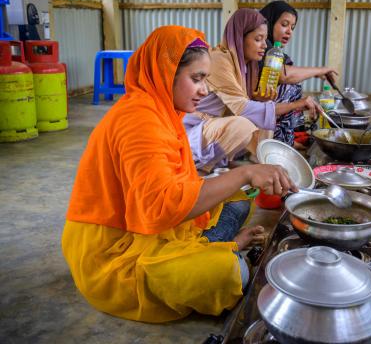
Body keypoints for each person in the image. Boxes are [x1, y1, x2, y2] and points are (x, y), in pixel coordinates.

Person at [62, 25, 296, 323]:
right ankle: (219, 250)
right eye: (196, 79)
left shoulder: (163, 111)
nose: (205, 90)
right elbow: (161, 208)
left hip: (150, 226)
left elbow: (177, 186)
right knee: (232, 273)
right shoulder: (138, 121)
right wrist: (245, 174)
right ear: (165, 72)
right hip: (113, 249)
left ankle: (213, 246)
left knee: (237, 203)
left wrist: (242, 181)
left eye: (205, 80)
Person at [183, 8, 321, 172]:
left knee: (263, 117)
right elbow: (242, 108)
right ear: (240, 38)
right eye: (258, 39)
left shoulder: (248, 67)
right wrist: (296, 105)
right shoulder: (219, 59)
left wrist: (261, 101)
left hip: (214, 128)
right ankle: (202, 169)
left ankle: (259, 164)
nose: (264, 45)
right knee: (243, 124)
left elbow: (251, 108)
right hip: (193, 132)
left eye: (264, 39)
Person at [259, 0, 339, 147]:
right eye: (284, 24)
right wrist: (320, 70)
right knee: (290, 85)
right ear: (269, 22)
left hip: (262, 107)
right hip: (252, 108)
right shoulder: (261, 45)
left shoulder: (270, 47)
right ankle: (277, 140)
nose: (289, 31)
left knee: (297, 89)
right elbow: (283, 76)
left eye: (292, 27)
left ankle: (285, 138)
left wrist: (314, 75)